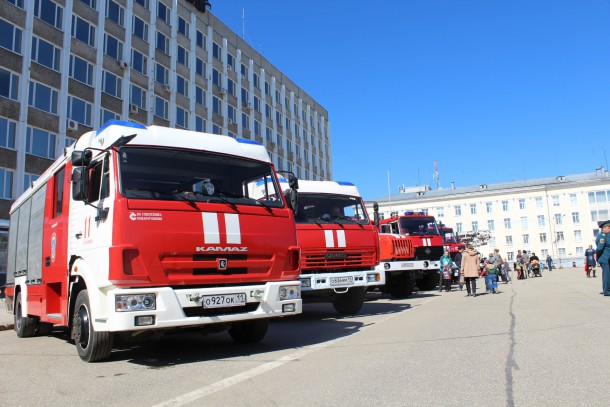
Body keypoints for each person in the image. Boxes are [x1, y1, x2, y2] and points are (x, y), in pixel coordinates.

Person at [595, 220, 610, 296]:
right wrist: (598, 258)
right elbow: (599, 249)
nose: (609, 229)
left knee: (608, 275)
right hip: (605, 258)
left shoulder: (607, 235)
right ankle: (606, 291)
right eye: (608, 228)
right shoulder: (602, 236)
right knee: (606, 275)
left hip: (607, 258)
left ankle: (607, 289)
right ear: (603, 228)